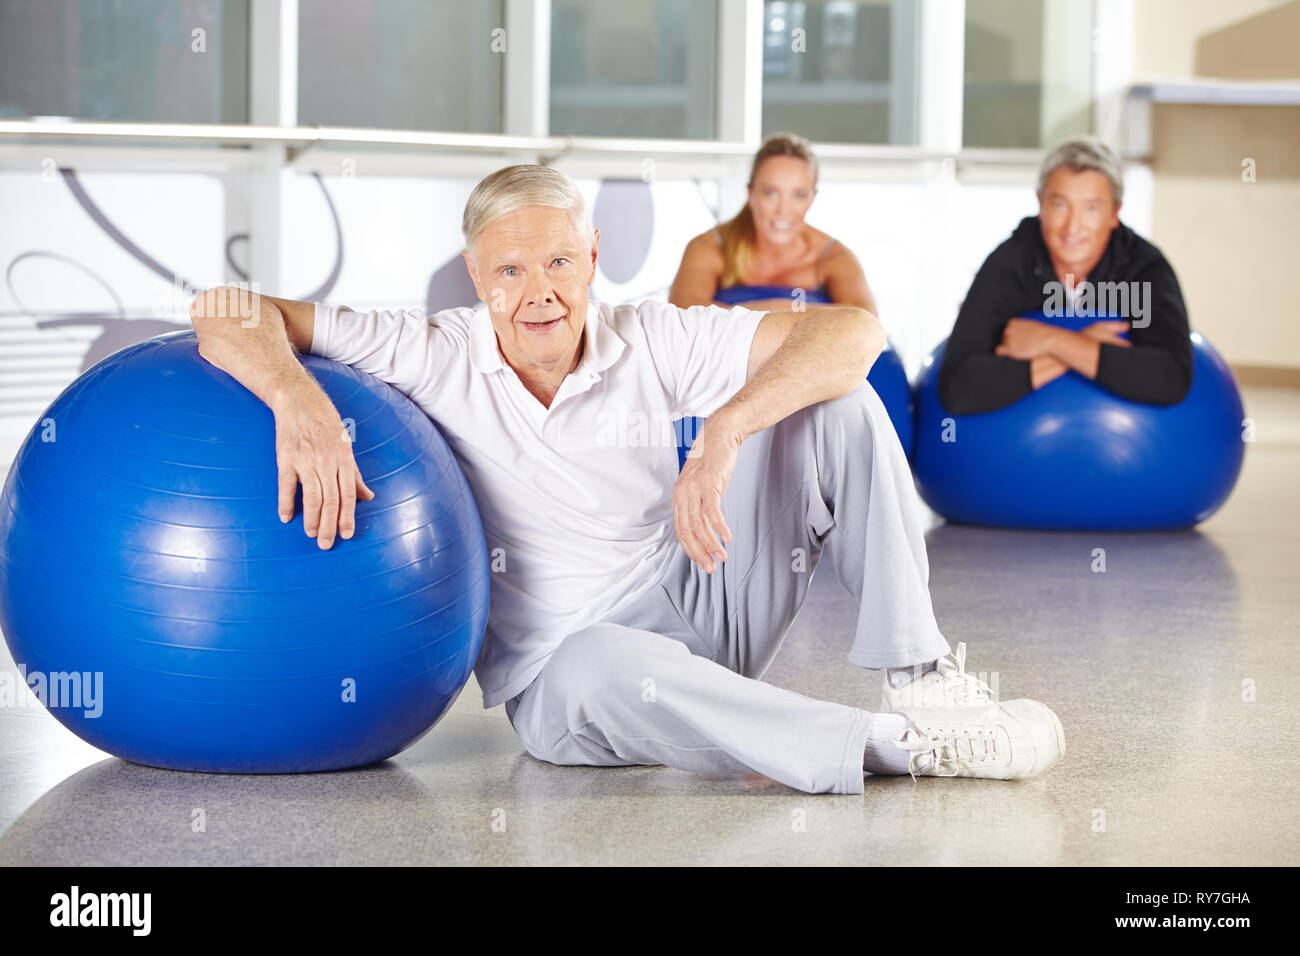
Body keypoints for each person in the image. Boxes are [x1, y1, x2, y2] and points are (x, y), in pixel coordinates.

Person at [190, 164, 1064, 794]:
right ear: (476, 280)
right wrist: (298, 401)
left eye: (561, 263)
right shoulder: (431, 350)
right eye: (510, 271)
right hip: (573, 675)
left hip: (699, 595)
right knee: (596, 660)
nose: (540, 293)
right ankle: (894, 749)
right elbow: (226, 309)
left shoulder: (649, 336)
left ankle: (920, 680)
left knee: (839, 406)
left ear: (594, 256)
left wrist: (723, 430)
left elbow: (853, 334)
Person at [939, 135, 1193, 416]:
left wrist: (1052, 341)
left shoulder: (1143, 267)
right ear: (1041, 205)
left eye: (1091, 209)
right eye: (1060, 205)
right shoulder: (1012, 262)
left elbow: (1170, 377)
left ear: (1115, 213)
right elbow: (958, 387)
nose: (1073, 227)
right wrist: (1084, 347)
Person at [669, 133, 877, 316]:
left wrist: (763, 311)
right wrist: (795, 312)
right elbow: (684, 315)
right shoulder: (708, 248)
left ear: (812, 198)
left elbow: (866, 319)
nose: (783, 210)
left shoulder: (834, 258)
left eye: (799, 195)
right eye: (771, 193)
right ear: (750, 194)